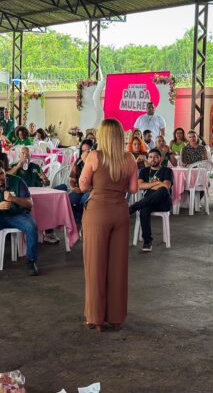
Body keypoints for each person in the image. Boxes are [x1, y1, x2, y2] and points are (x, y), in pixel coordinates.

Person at [79, 118, 138, 332]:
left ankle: (95, 317)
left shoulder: (94, 156)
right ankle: (116, 317)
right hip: (120, 212)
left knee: (95, 266)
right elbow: (133, 189)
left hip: (97, 213)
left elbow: (83, 186)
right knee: (118, 267)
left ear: (102, 136)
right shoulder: (129, 158)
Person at [0, 159, 39, 276]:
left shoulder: (18, 181)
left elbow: (29, 203)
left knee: (31, 226)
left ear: (5, 171)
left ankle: (31, 261)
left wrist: (13, 199)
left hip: (18, 215)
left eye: (1, 173)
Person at [129, 149, 173, 252]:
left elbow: (166, 186)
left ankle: (134, 207)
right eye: (150, 157)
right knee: (144, 210)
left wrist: (148, 185)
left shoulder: (167, 170)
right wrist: (157, 183)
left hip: (163, 203)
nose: (153, 159)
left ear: (160, 158)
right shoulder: (144, 171)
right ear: (148, 158)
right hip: (148, 202)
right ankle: (147, 241)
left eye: (156, 157)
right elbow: (139, 186)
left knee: (162, 190)